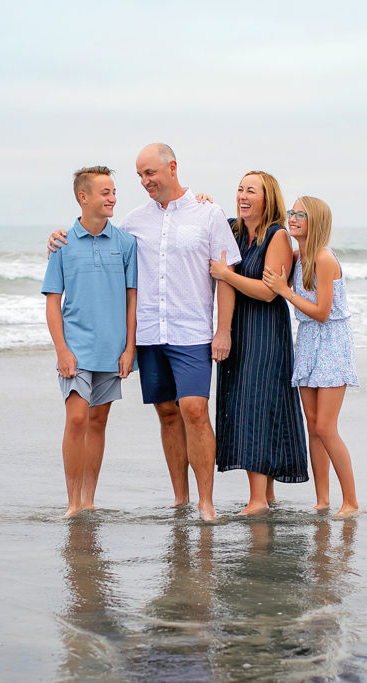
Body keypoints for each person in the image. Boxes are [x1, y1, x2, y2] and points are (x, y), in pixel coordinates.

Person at [48, 144, 241, 521]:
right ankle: (180, 500)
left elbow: (225, 275)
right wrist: (59, 235)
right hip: (151, 334)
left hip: (192, 331)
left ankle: (206, 503)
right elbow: (95, 235)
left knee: (195, 410)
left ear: (172, 167)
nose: (144, 182)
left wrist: (224, 330)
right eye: (139, 176)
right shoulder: (133, 222)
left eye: (149, 173)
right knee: (167, 414)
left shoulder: (208, 213)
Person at [208, 171, 307, 515]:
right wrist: (202, 203)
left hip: (265, 329)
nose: (243, 195)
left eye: (252, 190)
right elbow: (206, 221)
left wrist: (226, 275)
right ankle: (266, 495)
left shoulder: (277, 236)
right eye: (239, 189)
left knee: (257, 404)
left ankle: (258, 500)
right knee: (243, 403)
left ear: (268, 199)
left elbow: (268, 293)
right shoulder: (234, 230)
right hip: (239, 326)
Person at [42, 166, 137, 518]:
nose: (112, 198)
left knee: (98, 422)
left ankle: (89, 499)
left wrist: (130, 348)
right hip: (76, 349)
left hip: (112, 350)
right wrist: (62, 350)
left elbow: (132, 299)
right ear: (83, 197)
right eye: (105, 192)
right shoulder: (62, 244)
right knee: (78, 419)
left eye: (114, 192)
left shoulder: (126, 243)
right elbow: (52, 301)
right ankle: (71, 501)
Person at [262, 196, 360, 517]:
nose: (293, 218)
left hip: (331, 342)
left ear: (314, 220)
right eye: (291, 212)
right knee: (312, 426)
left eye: (300, 214)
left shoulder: (323, 258)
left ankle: (351, 502)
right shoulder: (297, 256)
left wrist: (285, 290)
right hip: (306, 342)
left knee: (327, 426)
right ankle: (322, 500)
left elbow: (321, 312)